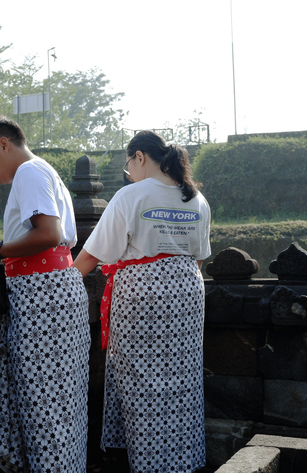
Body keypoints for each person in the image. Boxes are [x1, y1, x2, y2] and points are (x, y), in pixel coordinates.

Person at [73, 130, 211, 472]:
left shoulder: (131, 195)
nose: (127, 173)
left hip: (142, 293)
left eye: (128, 164)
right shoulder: (196, 199)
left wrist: (57, 287)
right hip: (188, 294)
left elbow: (91, 256)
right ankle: (184, 461)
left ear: (139, 157)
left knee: (143, 382)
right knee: (183, 381)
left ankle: (148, 462)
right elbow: (199, 259)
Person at [0, 116, 90, 473]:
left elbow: (48, 232)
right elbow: (51, 235)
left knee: (44, 405)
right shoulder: (43, 170)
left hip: (42, 295)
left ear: (3, 144)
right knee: (62, 403)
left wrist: (0, 252)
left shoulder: (29, 173)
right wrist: (1, 247)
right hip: (57, 289)